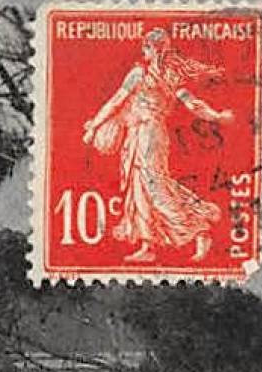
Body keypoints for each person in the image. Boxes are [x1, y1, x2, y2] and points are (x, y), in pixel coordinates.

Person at [82, 27, 233, 264]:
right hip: (140, 134)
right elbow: (192, 104)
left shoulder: (142, 74)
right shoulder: (165, 76)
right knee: (139, 186)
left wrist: (93, 127)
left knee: (154, 186)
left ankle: (198, 230)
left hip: (148, 135)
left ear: (153, 49)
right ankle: (147, 244)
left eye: (146, 47)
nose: (143, 51)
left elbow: (115, 102)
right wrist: (216, 116)